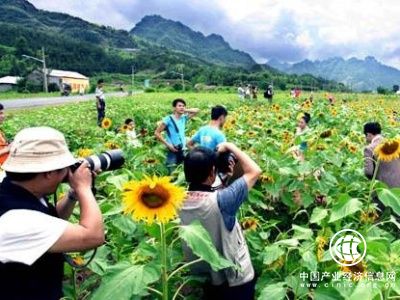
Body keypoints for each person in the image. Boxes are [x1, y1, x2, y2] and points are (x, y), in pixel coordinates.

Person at [0, 127, 104, 300]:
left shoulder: (15, 189)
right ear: (48, 173)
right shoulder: (16, 219)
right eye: (64, 168)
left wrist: (72, 194)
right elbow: (93, 236)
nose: (67, 173)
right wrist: (84, 188)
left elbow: (50, 221)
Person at [180, 143, 261, 300]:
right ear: (212, 173)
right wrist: (230, 146)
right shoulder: (224, 200)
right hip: (234, 278)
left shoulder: (175, 200)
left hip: (204, 275)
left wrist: (225, 177)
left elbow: (204, 193)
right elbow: (254, 171)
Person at [155, 98, 199, 173]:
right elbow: (157, 132)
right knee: (171, 172)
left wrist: (184, 110)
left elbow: (197, 111)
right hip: (172, 149)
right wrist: (168, 145)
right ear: (174, 108)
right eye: (179, 106)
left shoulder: (183, 118)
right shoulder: (168, 119)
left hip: (182, 149)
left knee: (182, 171)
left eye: (183, 106)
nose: (182, 107)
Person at [364, 122, 400, 193]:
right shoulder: (394, 144)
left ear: (368, 134)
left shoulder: (369, 149)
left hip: (382, 189)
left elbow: (369, 172)